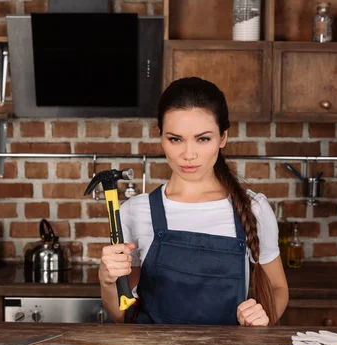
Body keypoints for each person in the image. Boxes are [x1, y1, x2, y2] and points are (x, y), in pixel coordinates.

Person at [99, 77, 289, 326]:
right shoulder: (135, 212)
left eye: (203, 139)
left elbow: (277, 288)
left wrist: (263, 315)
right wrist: (107, 280)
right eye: (175, 139)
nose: (188, 154)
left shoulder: (253, 208)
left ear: (223, 138)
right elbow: (120, 314)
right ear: (161, 138)